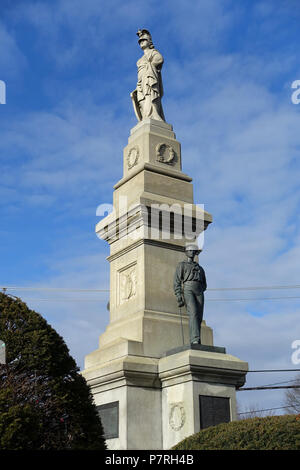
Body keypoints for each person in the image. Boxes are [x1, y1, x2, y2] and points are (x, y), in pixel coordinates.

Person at [174, 244, 207, 344]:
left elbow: (205, 284)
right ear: (186, 252)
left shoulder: (200, 268)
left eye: (194, 251)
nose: (192, 252)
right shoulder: (182, 265)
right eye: (190, 250)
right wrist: (179, 294)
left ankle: (197, 338)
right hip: (188, 289)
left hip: (199, 290)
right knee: (193, 313)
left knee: (199, 316)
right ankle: (195, 339)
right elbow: (177, 281)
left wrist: (200, 288)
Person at [131, 29, 165, 122]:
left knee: (150, 96)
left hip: (149, 78)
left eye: (143, 40)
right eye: (140, 41)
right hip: (141, 81)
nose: (141, 42)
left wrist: (150, 67)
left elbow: (159, 59)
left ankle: (154, 115)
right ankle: (146, 116)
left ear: (149, 41)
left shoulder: (153, 52)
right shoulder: (140, 59)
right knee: (141, 99)